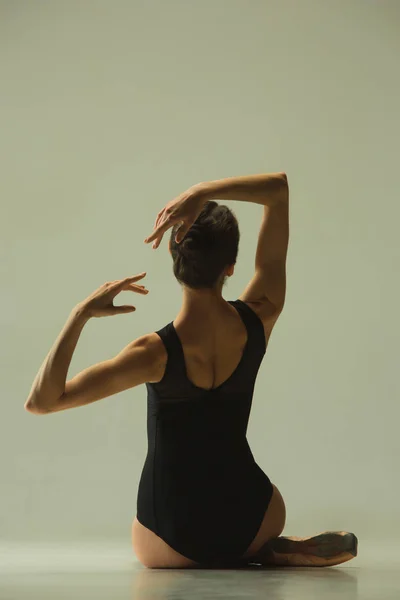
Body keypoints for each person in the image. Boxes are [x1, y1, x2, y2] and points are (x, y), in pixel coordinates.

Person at [24, 172, 357, 570]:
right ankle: (258, 550)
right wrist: (202, 192)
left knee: (148, 535)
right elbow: (278, 192)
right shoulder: (260, 316)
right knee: (261, 504)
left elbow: (42, 402)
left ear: (174, 258)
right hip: (251, 518)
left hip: (170, 539)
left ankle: (239, 553)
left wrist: (80, 315)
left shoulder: (152, 354)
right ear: (230, 267)